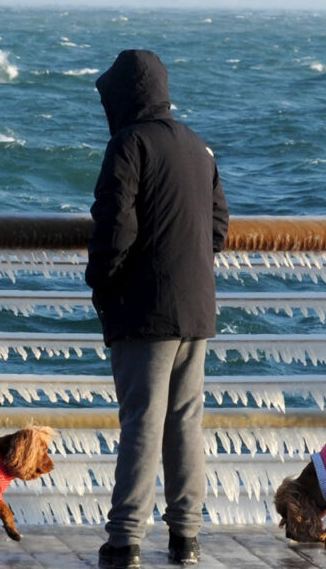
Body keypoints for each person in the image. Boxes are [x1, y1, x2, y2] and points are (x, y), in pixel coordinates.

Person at [86, 50, 229, 568]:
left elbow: (114, 230)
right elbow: (217, 229)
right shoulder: (197, 146)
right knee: (186, 419)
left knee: (142, 421)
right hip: (196, 306)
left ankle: (124, 541)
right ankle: (186, 537)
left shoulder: (128, 144)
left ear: (125, 97)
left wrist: (102, 285)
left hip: (145, 311)